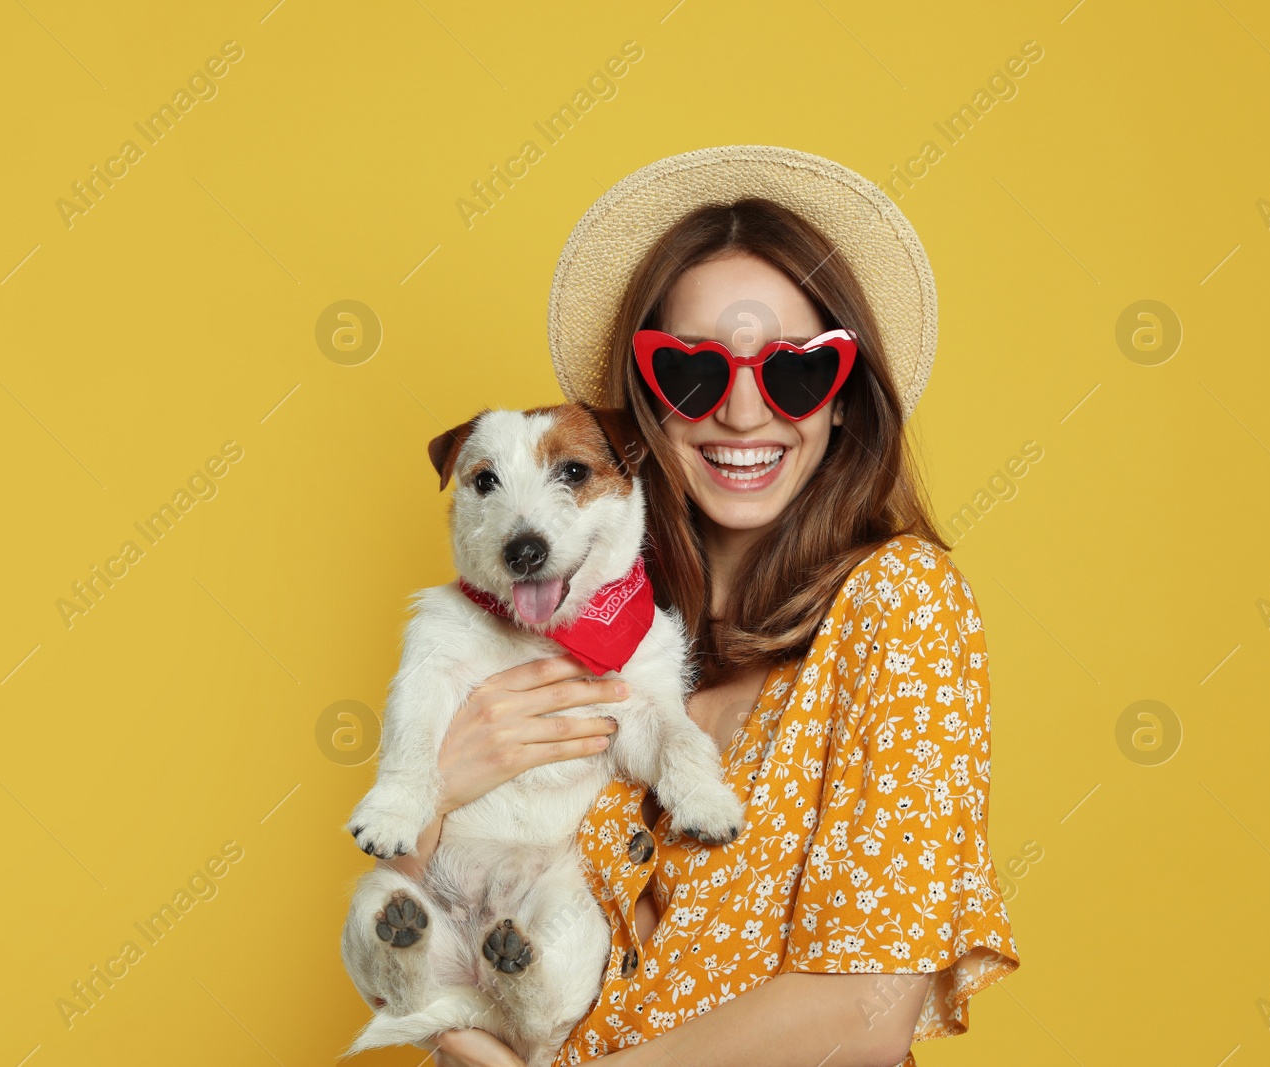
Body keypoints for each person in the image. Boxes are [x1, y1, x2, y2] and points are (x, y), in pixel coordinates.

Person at [387, 146, 1019, 1066]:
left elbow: (869, 1009)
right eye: (695, 372)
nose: (745, 411)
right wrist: (437, 795)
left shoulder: (900, 603)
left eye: (795, 371)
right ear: (649, 407)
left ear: (842, 398)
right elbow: (433, 936)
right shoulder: (588, 628)